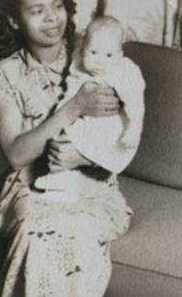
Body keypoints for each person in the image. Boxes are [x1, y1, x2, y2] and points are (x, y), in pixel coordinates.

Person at [0, 0, 132, 296]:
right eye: (37, 11)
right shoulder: (7, 74)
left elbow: (123, 142)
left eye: (57, 6)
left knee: (74, 233)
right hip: (28, 190)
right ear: (14, 19)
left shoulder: (94, 59)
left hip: (91, 189)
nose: (52, 18)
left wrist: (82, 157)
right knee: (38, 236)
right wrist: (73, 108)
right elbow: (16, 155)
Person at [34, 15, 145, 192]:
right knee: (60, 139)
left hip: (105, 119)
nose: (99, 60)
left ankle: (67, 179)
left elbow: (134, 99)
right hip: (76, 112)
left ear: (120, 55)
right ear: (83, 49)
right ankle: (60, 180)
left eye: (108, 55)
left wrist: (134, 126)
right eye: (93, 52)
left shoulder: (122, 69)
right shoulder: (78, 60)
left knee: (88, 141)